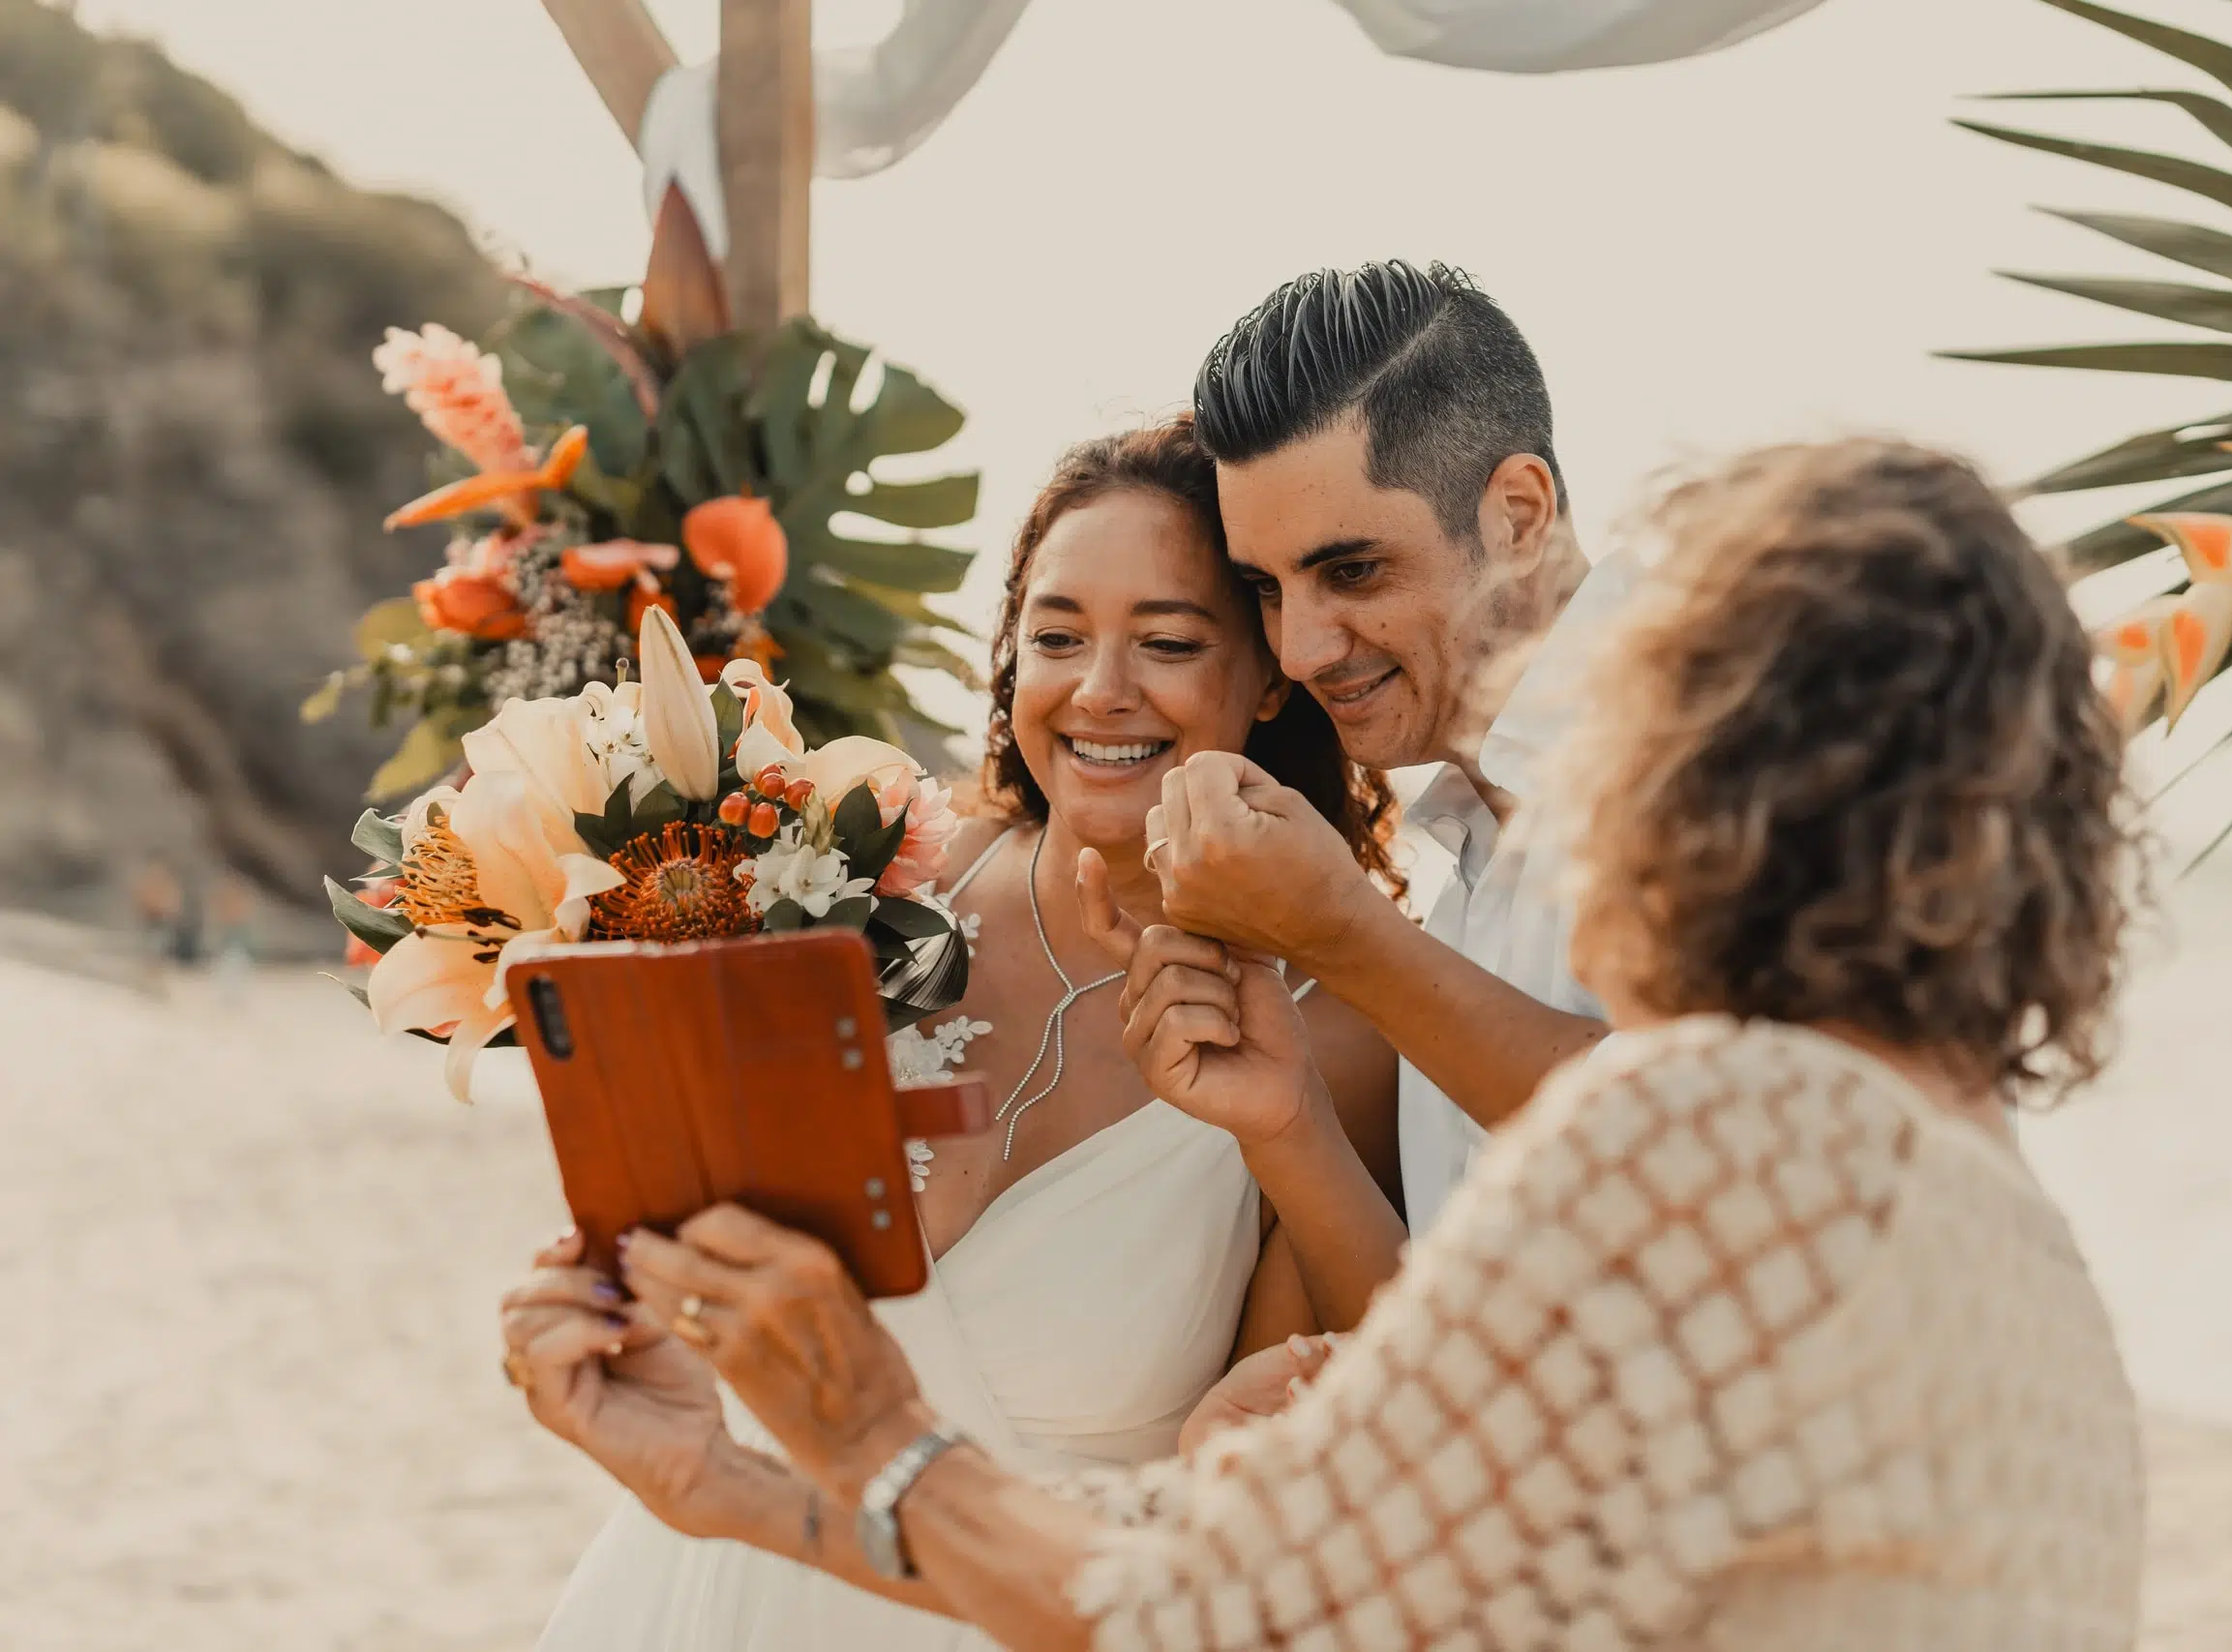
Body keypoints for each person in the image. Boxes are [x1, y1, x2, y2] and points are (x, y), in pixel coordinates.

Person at [508, 437, 2148, 1648]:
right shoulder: (2016, 1239)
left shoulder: (1720, 1125)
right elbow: (1351, 1547)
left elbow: (1230, 1604)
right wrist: (724, 1488)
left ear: (1694, 757)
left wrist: (864, 1435)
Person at [515, 415, 1410, 1652]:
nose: (1099, 690)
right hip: (706, 1588)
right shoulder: (858, 873)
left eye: (1165, 641)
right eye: (1055, 638)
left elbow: (1370, 1391)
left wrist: (1289, 1121)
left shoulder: (1339, 1023)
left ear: (1265, 677)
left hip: (1017, 1610)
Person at [1143, 258, 1626, 1236]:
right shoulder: (1458, 868)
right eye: (1268, 590)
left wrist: (1338, 934)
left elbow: (1733, 1146)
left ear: (1518, 514)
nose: (1300, 649)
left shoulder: (1759, 730)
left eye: (1353, 570)